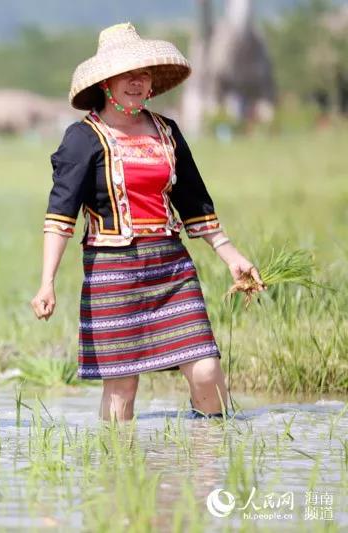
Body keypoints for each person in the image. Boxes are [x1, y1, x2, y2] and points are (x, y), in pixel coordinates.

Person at [30, 23, 265, 422]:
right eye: (127, 74)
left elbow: (195, 204)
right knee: (122, 386)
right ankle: (121, 475)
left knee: (207, 371)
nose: (136, 83)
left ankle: (210, 457)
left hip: (171, 267)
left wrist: (231, 256)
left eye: (143, 74)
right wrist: (47, 281)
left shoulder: (167, 132)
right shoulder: (82, 138)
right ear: (106, 82)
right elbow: (60, 215)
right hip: (112, 272)